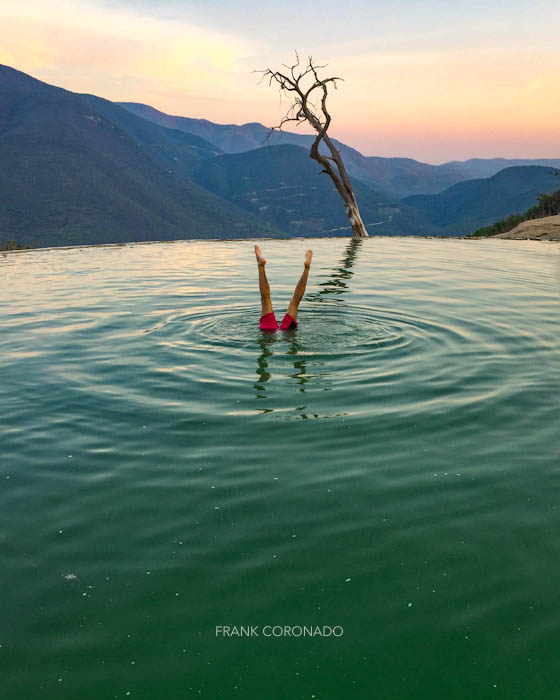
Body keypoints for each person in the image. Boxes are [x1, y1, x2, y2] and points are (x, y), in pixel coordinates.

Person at [255, 245, 313, 331]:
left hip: (267, 331)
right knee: (295, 302)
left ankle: (261, 266)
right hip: (288, 331)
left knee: (266, 300)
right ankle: (307, 268)